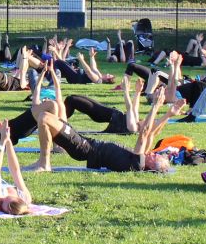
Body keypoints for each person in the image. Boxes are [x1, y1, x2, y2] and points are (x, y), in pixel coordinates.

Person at [27, 67, 184, 173]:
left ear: (151, 167)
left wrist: (156, 107)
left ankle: (44, 163)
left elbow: (144, 133)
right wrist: (168, 115)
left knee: (45, 117)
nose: (152, 154)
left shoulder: (139, 163)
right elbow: (151, 135)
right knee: (52, 115)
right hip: (85, 144)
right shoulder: (141, 158)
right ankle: (45, 159)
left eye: (154, 157)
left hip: (84, 148)